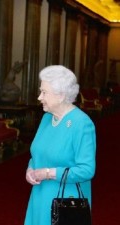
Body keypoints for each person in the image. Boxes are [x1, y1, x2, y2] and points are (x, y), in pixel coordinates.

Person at [24, 65, 96, 225]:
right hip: (39, 195)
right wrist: (30, 169)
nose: (39, 97)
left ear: (61, 95)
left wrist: (48, 173)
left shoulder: (82, 124)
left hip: (65, 202)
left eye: (44, 92)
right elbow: (37, 153)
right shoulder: (46, 118)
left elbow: (86, 170)